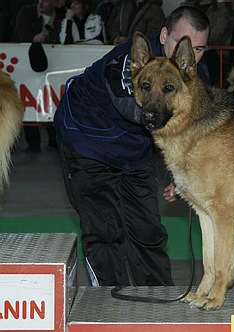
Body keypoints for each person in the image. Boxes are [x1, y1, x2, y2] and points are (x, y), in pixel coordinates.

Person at [53, 6, 211, 287]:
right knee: (105, 230)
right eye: (182, 43)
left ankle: (157, 301)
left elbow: (195, 128)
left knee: (147, 229)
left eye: (198, 49)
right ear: (164, 35)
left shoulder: (195, 76)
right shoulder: (131, 61)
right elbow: (146, 114)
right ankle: (107, 303)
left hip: (132, 151)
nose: (189, 55)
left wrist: (181, 173)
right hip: (87, 141)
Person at [11, 0, 65, 152]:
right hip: (26, 62)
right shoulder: (27, 12)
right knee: (26, 99)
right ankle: (33, 142)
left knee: (51, 99)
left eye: (46, 0)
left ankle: (54, 140)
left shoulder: (62, 16)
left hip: (53, 64)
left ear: (56, 3)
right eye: (40, 0)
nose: (41, 3)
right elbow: (24, 35)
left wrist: (47, 35)